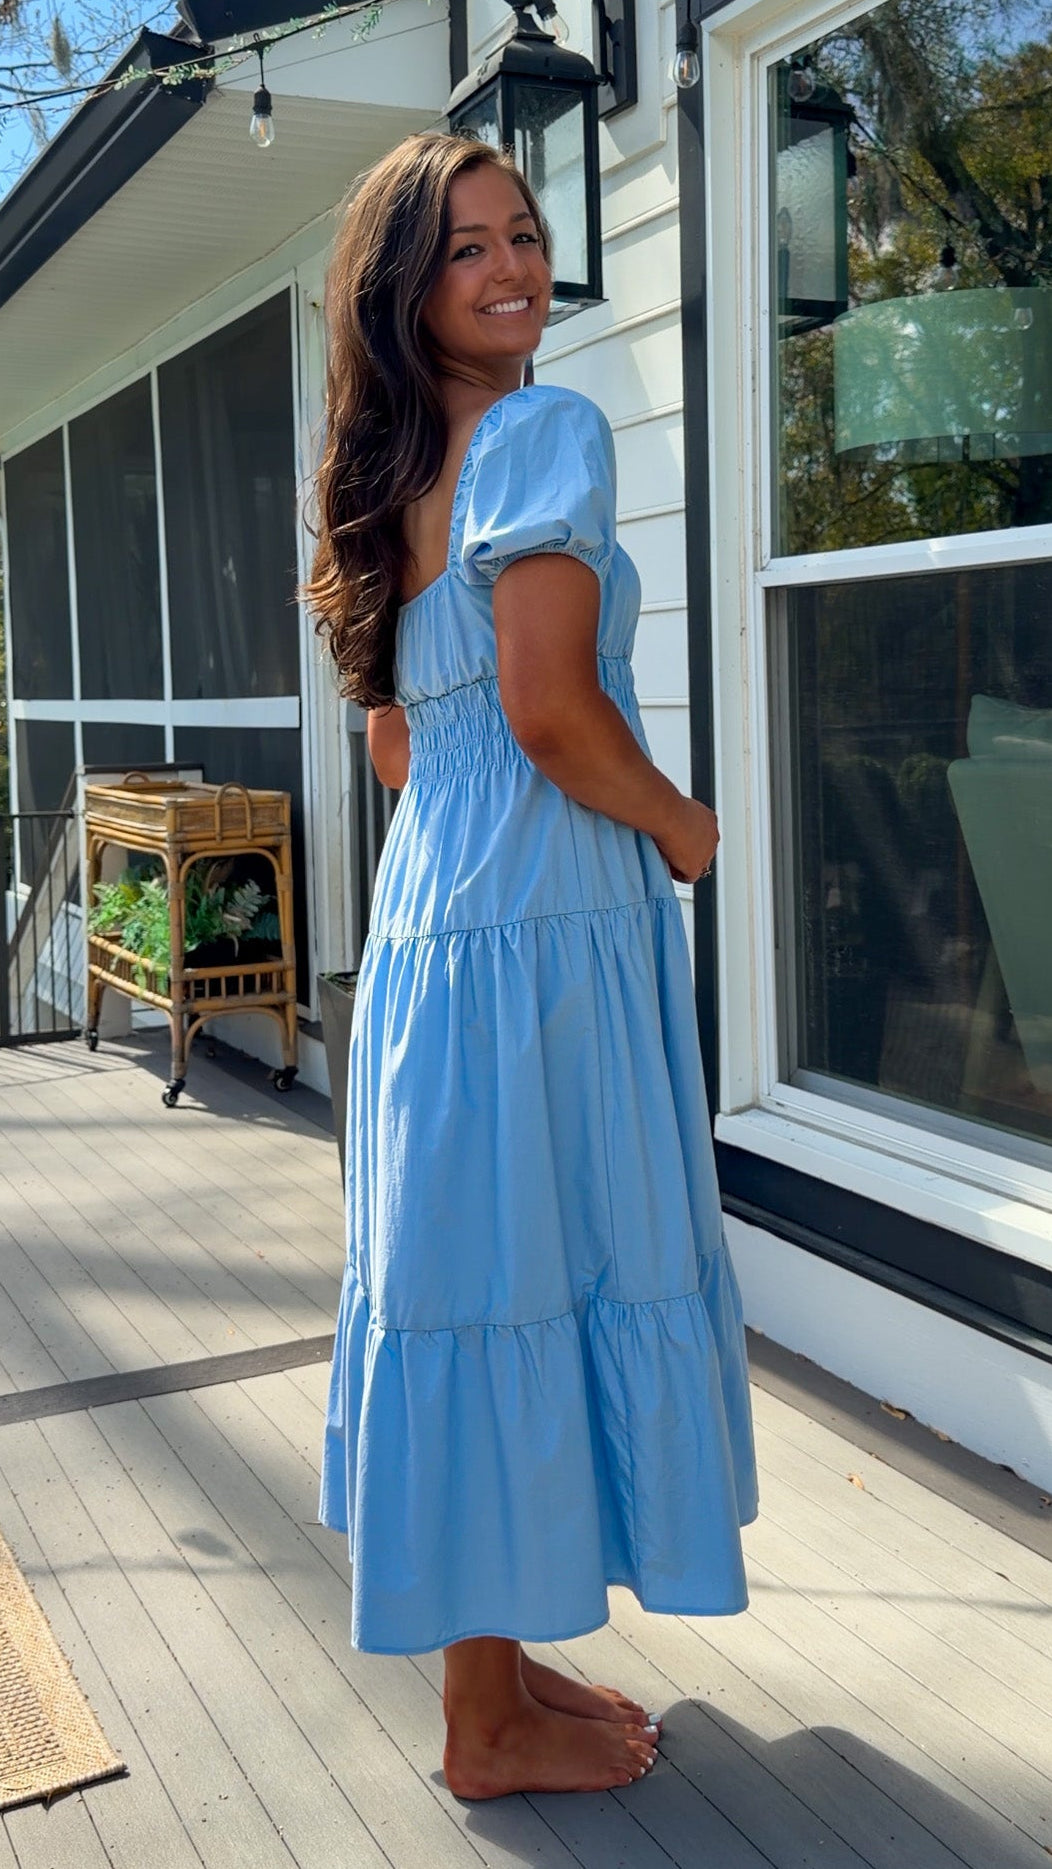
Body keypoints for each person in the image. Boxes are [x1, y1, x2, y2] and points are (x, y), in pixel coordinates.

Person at [306, 131, 757, 1802]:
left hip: (443, 933)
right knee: (533, 1267)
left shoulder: (396, 462)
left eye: (526, 233)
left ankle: (492, 1672)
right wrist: (689, 830)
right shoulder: (544, 430)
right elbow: (557, 714)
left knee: (483, 1276)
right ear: (405, 288)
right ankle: (480, 1733)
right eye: (465, 248)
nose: (511, 268)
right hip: (546, 929)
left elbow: (401, 744)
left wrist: (483, 850)